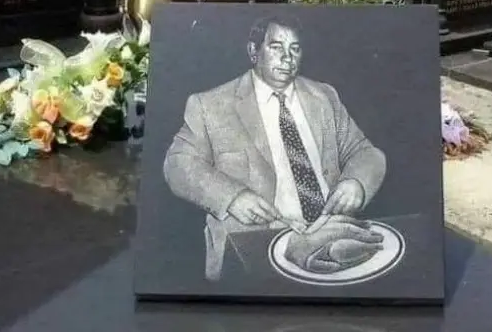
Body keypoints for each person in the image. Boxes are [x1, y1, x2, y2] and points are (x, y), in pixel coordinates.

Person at [164, 14, 387, 280]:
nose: (287, 58)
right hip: (251, 246)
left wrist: (356, 183)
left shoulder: (324, 96)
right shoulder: (210, 105)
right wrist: (232, 197)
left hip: (330, 232)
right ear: (253, 51)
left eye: (295, 49)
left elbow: (366, 152)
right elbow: (178, 164)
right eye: (276, 47)